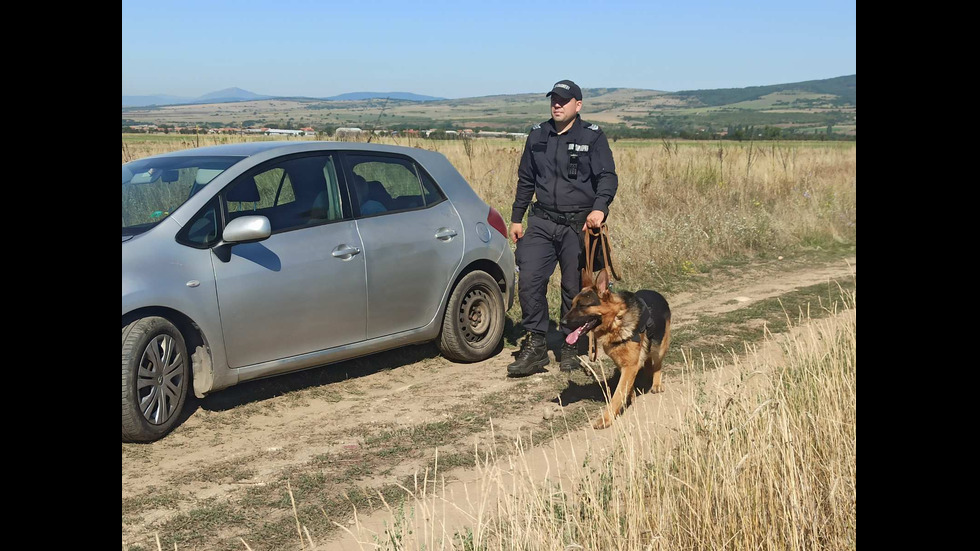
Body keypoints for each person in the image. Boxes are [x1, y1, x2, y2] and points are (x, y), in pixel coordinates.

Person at [507, 79, 619, 377]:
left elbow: (607, 177)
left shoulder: (592, 137)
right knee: (529, 280)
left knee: (573, 288)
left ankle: (572, 345)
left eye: (564, 101)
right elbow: (526, 179)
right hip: (541, 221)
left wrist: (599, 208)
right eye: (554, 100)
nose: (557, 105)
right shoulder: (537, 135)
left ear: (577, 105)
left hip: (577, 224)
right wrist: (517, 218)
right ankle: (536, 345)